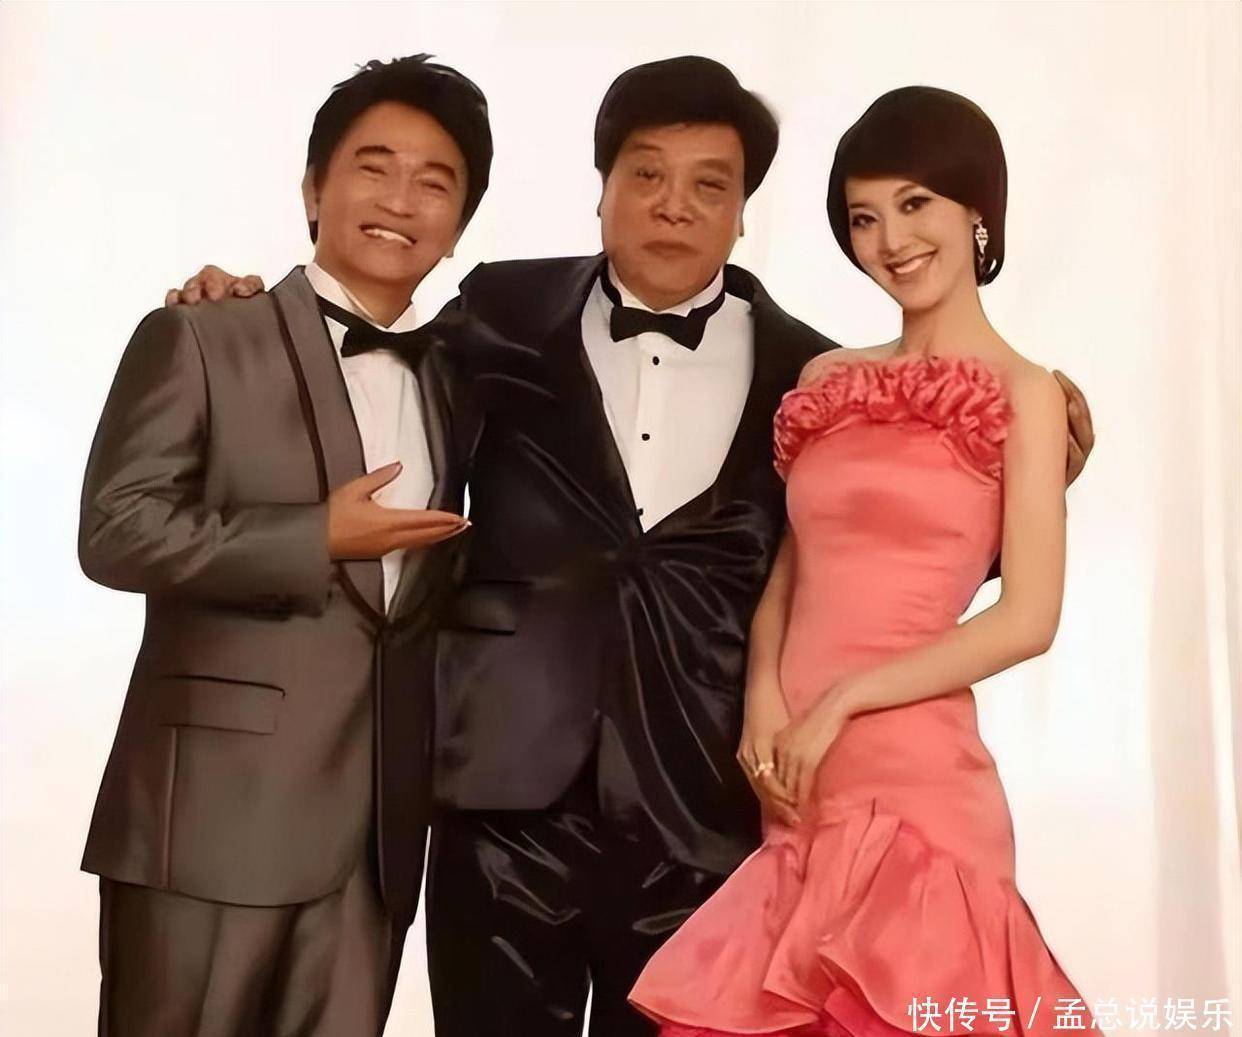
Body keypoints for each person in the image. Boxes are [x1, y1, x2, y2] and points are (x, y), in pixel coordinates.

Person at [170, 58, 1095, 1037]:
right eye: (646, 173)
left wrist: (1045, 460)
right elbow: (370, 364)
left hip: (705, 809)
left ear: (744, 213)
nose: (673, 205)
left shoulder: (805, 368)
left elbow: (894, 551)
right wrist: (252, 315)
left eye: (710, 184)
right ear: (602, 187)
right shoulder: (502, 310)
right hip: (504, 794)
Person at [628, 85, 1092, 1037]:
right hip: (797, 781)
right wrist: (764, 699)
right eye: (864, 217)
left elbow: (1027, 619)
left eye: (915, 204)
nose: (891, 240)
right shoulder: (829, 379)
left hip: (915, 775)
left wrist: (843, 700)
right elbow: (789, 577)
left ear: (977, 210)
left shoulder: (1028, 392)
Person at [78, 54, 503, 1036]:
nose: (399, 199)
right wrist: (314, 536)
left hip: (377, 843)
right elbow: (116, 529)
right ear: (314, 189)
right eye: (372, 167)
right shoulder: (203, 335)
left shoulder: (461, 373)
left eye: (434, 183)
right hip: (209, 825)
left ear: (459, 225)